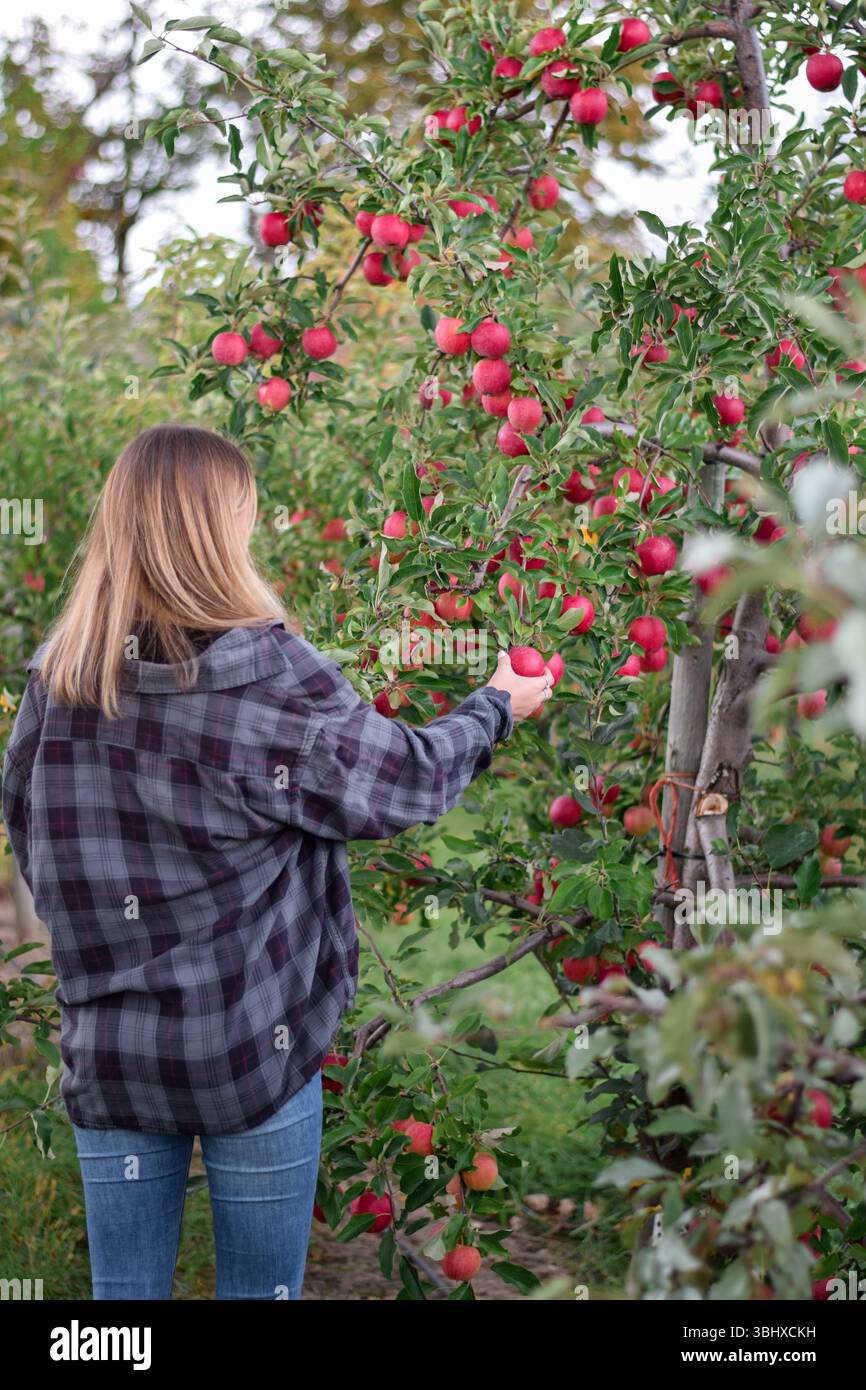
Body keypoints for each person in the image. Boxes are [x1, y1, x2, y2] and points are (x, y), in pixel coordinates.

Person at [1, 423, 553, 1301]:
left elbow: (36, 842)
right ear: (223, 532)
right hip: (253, 1049)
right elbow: (403, 780)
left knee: (120, 1310)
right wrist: (496, 705)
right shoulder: (269, 674)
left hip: (113, 1052)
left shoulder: (58, 682)